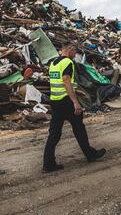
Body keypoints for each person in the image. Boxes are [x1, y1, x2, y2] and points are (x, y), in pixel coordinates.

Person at [42, 43, 106, 173]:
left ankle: (48, 164)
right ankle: (90, 154)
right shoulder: (67, 63)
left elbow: (58, 82)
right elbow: (66, 80)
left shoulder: (54, 63)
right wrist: (75, 102)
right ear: (69, 50)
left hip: (55, 101)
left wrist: (77, 91)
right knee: (79, 129)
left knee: (54, 134)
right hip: (66, 102)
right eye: (75, 52)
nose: (75, 55)